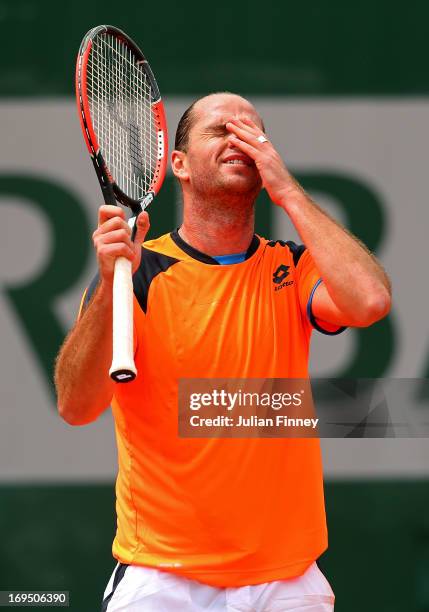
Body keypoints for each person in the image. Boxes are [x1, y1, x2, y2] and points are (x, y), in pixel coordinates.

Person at [55, 92, 391, 611]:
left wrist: (291, 194)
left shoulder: (294, 266)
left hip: (287, 581)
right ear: (180, 166)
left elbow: (369, 301)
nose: (239, 139)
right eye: (220, 130)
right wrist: (107, 287)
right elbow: (76, 407)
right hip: (162, 579)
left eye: (252, 132)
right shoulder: (138, 273)